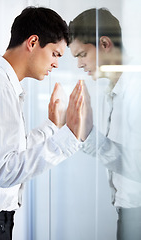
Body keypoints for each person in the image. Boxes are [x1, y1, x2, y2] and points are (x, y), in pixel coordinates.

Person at [0, 6, 85, 239]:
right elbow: (5, 171)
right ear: (33, 42)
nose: (56, 64)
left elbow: (10, 152)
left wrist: (52, 126)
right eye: (55, 54)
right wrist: (69, 137)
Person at [68, 7, 141, 240]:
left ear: (104, 43)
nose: (79, 65)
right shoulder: (113, 89)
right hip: (126, 213)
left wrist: (90, 135)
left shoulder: (136, 90)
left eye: (81, 55)